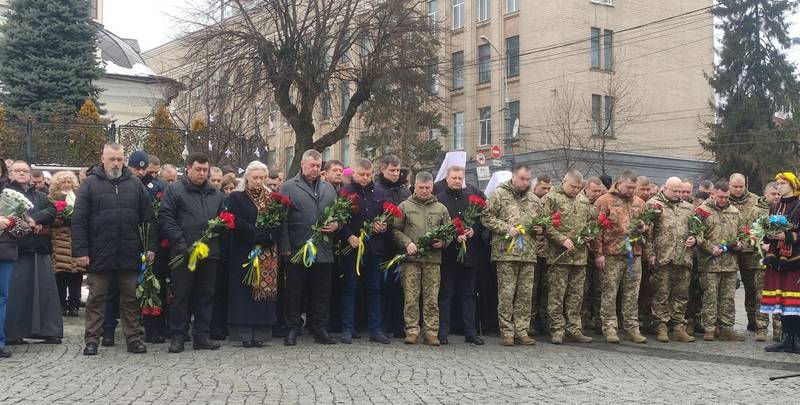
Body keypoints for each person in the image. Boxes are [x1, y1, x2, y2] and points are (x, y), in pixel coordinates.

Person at [72, 143, 156, 355]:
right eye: (112, 159)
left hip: (129, 251)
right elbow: (79, 221)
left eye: (119, 159)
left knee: (130, 299)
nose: (116, 163)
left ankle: (134, 339)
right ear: (103, 159)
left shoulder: (135, 185)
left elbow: (149, 219)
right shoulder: (90, 185)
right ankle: (92, 340)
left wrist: (150, 247)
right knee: (96, 298)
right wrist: (81, 252)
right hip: (99, 253)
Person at [160, 152, 226, 353]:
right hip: (184, 252)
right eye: (198, 169)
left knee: (205, 295)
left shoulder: (216, 193)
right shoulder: (175, 190)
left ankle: (201, 336)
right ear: (188, 168)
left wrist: (222, 226)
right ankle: (178, 336)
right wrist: (180, 242)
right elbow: (166, 217)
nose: (202, 174)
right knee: (181, 296)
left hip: (209, 253)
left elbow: (222, 218)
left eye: (205, 170)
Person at [278, 150, 339, 346]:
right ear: (302, 164)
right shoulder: (287, 187)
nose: (314, 169)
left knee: (322, 291)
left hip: (323, 249)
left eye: (318, 166)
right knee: (294, 292)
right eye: (311, 165)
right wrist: (285, 246)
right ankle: (292, 328)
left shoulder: (328, 188)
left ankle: (320, 327)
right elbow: (282, 220)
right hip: (298, 249)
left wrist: (337, 226)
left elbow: (339, 215)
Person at [481, 163, 540, 346]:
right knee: (506, 295)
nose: (525, 182)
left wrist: (540, 228)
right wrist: (507, 228)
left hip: (528, 253)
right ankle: (507, 331)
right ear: (513, 177)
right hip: (506, 253)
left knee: (525, 295)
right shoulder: (499, 194)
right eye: (522, 179)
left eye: (528, 179)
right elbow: (486, 217)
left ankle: (522, 330)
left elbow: (540, 221)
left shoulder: (533, 199)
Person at [4, 161, 62, 345]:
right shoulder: (5, 195)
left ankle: (47, 330)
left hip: (40, 248)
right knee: (18, 294)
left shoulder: (40, 195)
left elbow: (52, 210)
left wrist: (34, 219)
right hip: (18, 250)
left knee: (45, 293)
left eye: (25, 171)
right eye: (17, 171)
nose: (22, 174)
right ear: (10, 173)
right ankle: (14, 332)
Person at [392, 171, 450, 346]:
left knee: (432, 298)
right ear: (415, 187)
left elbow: (449, 232)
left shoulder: (441, 208)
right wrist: (406, 242)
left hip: (433, 260)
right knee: (411, 297)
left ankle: (431, 332)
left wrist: (444, 241)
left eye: (427, 188)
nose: (424, 191)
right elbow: (395, 230)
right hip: (411, 260)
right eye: (421, 187)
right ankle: (411, 330)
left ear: (432, 187)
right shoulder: (404, 206)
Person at [225, 161, 279, 347]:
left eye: (262, 178)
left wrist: (269, 235)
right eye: (255, 177)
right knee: (245, 291)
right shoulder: (237, 197)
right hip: (245, 249)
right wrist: (256, 235)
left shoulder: (271, 197)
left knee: (263, 293)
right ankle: (244, 332)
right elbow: (236, 222)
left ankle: (261, 332)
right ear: (247, 177)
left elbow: (278, 220)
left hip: (267, 251)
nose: (258, 181)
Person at [591, 170, 648, 344]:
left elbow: (648, 225)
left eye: (634, 187)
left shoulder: (639, 202)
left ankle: (632, 328)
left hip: (634, 254)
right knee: (610, 292)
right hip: (612, 254)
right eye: (628, 187)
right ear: (619, 182)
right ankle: (609, 327)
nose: (631, 190)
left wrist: (645, 228)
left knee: (632, 293)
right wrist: (598, 253)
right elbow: (596, 229)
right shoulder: (604, 200)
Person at [339, 158, 391, 344]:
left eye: (368, 175)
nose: (365, 178)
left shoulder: (379, 193)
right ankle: (347, 328)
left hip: (374, 248)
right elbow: (340, 219)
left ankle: (375, 329)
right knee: (350, 287)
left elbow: (387, 219)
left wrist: (383, 226)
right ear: (354, 173)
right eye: (361, 174)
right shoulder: (345, 193)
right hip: (352, 247)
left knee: (375, 288)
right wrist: (348, 235)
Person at [541, 169, 594, 345]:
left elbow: (589, 223)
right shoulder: (551, 198)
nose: (575, 190)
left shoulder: (583, 200)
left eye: (579, 188)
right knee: (557, 294)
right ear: (564, 181)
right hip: (559, 256)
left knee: (576, 295)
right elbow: (544, 224)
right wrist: (561, 239)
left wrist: (589, 234)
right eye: (573, 186)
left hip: (579, 256)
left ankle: (574, 328)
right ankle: (557, 329)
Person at [435, 165, 485, 345]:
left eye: (460, 178)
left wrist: (474, 230)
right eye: (454, 178)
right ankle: (443, 332)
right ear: (447, 179)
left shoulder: (471, 200)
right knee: (446, 294)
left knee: (469, 294)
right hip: (448, 254)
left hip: (469, 254)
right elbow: (437, 226)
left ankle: (470, 332)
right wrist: (452, 235)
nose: (457, 181)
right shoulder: (439, 200)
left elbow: (481, 221)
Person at [645, 177, 696, 343]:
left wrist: (695, 239)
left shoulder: (688, 207)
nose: (678, 194)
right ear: (664, 188)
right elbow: (647, 233)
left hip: (683, 257)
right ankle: (661, 325)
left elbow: (697, 230)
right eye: (674, 190)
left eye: (680, 191)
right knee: (661, 293)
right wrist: (650, 254)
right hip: (663, 257)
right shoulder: (654, 205)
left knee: (681, 294)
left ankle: (678, 326)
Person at [695, 181, 745, 342]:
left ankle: (726, 328)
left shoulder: (735, 212)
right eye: (721, 196)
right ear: (713, 194)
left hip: (730, 264)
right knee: (710, 297)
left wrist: (740, 244)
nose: (724, 200)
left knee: (728, 298)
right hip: (710, 264)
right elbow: (697, 236)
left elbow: (744, 234)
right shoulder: (702, 211)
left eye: (726, 197)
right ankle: (709, 328)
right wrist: (710, 248)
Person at [762, 172, 800, 354]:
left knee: (795, 300)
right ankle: (786, 338)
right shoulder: (775, 206)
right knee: (783, 300)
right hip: (777, 258)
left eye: (783, 183)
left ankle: (797, 339)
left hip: (794, 259)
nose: (779, 186)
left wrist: (786, 236)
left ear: (792, 185)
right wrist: (768, 235)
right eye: (777, 183)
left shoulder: (799, 205)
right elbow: (767, 228)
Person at [374, 155, 411, 339]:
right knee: (381, 287)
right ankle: (381, 324)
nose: (396, 174)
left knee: (400, 288)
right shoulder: (377, 189)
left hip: (401, 246)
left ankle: (398, 324)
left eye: (398, 170)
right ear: (383, 169)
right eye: (392, 170)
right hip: (382, 245)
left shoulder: (405, 192)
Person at [0, 159, 32, 358]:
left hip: (4, 253)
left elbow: (25, 227)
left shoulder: (8, 195)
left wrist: (10, 222)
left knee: (1, 299)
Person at [727, 173, 762, 335]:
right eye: (735, 187)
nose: (739, 190)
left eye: (741, 186)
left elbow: (762, 224)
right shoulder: (723, 199)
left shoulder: (755, 200)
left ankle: (753, 320)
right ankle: (726, 323)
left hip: (751, 252)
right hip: (729, 251)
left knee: (752, 288)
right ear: (729, 185)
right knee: (728, 288)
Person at [49, 171, 83, 317]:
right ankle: (61, 304)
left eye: (69, 182)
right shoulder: (51, 198)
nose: (67, 185)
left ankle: (74, 304)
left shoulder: (79, 197)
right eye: (63, 182)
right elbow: (50, 218)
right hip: (59, 242)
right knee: (61, 275)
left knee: (76, 275)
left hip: (76, 240)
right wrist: (61, 219)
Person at [581, 176, 606, 332]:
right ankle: (582, 320)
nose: (597, 194)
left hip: (598, 252)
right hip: (581, 252)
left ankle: (598, 320)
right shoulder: (581, 203)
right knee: (583, 288)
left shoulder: (602, 205)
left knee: (599, 288)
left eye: (599, 191)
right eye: (594, 190)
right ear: (586, 189)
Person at [530, 173, 551, 336]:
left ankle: (543, 319)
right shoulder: (530, 201)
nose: (546, 191)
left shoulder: (550, 202)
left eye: (549, 188)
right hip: (533, 252)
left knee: (546, 288)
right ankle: (530, 321)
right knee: (532, 289)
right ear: (534, 186)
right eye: (543, 188)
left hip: (548, 253)